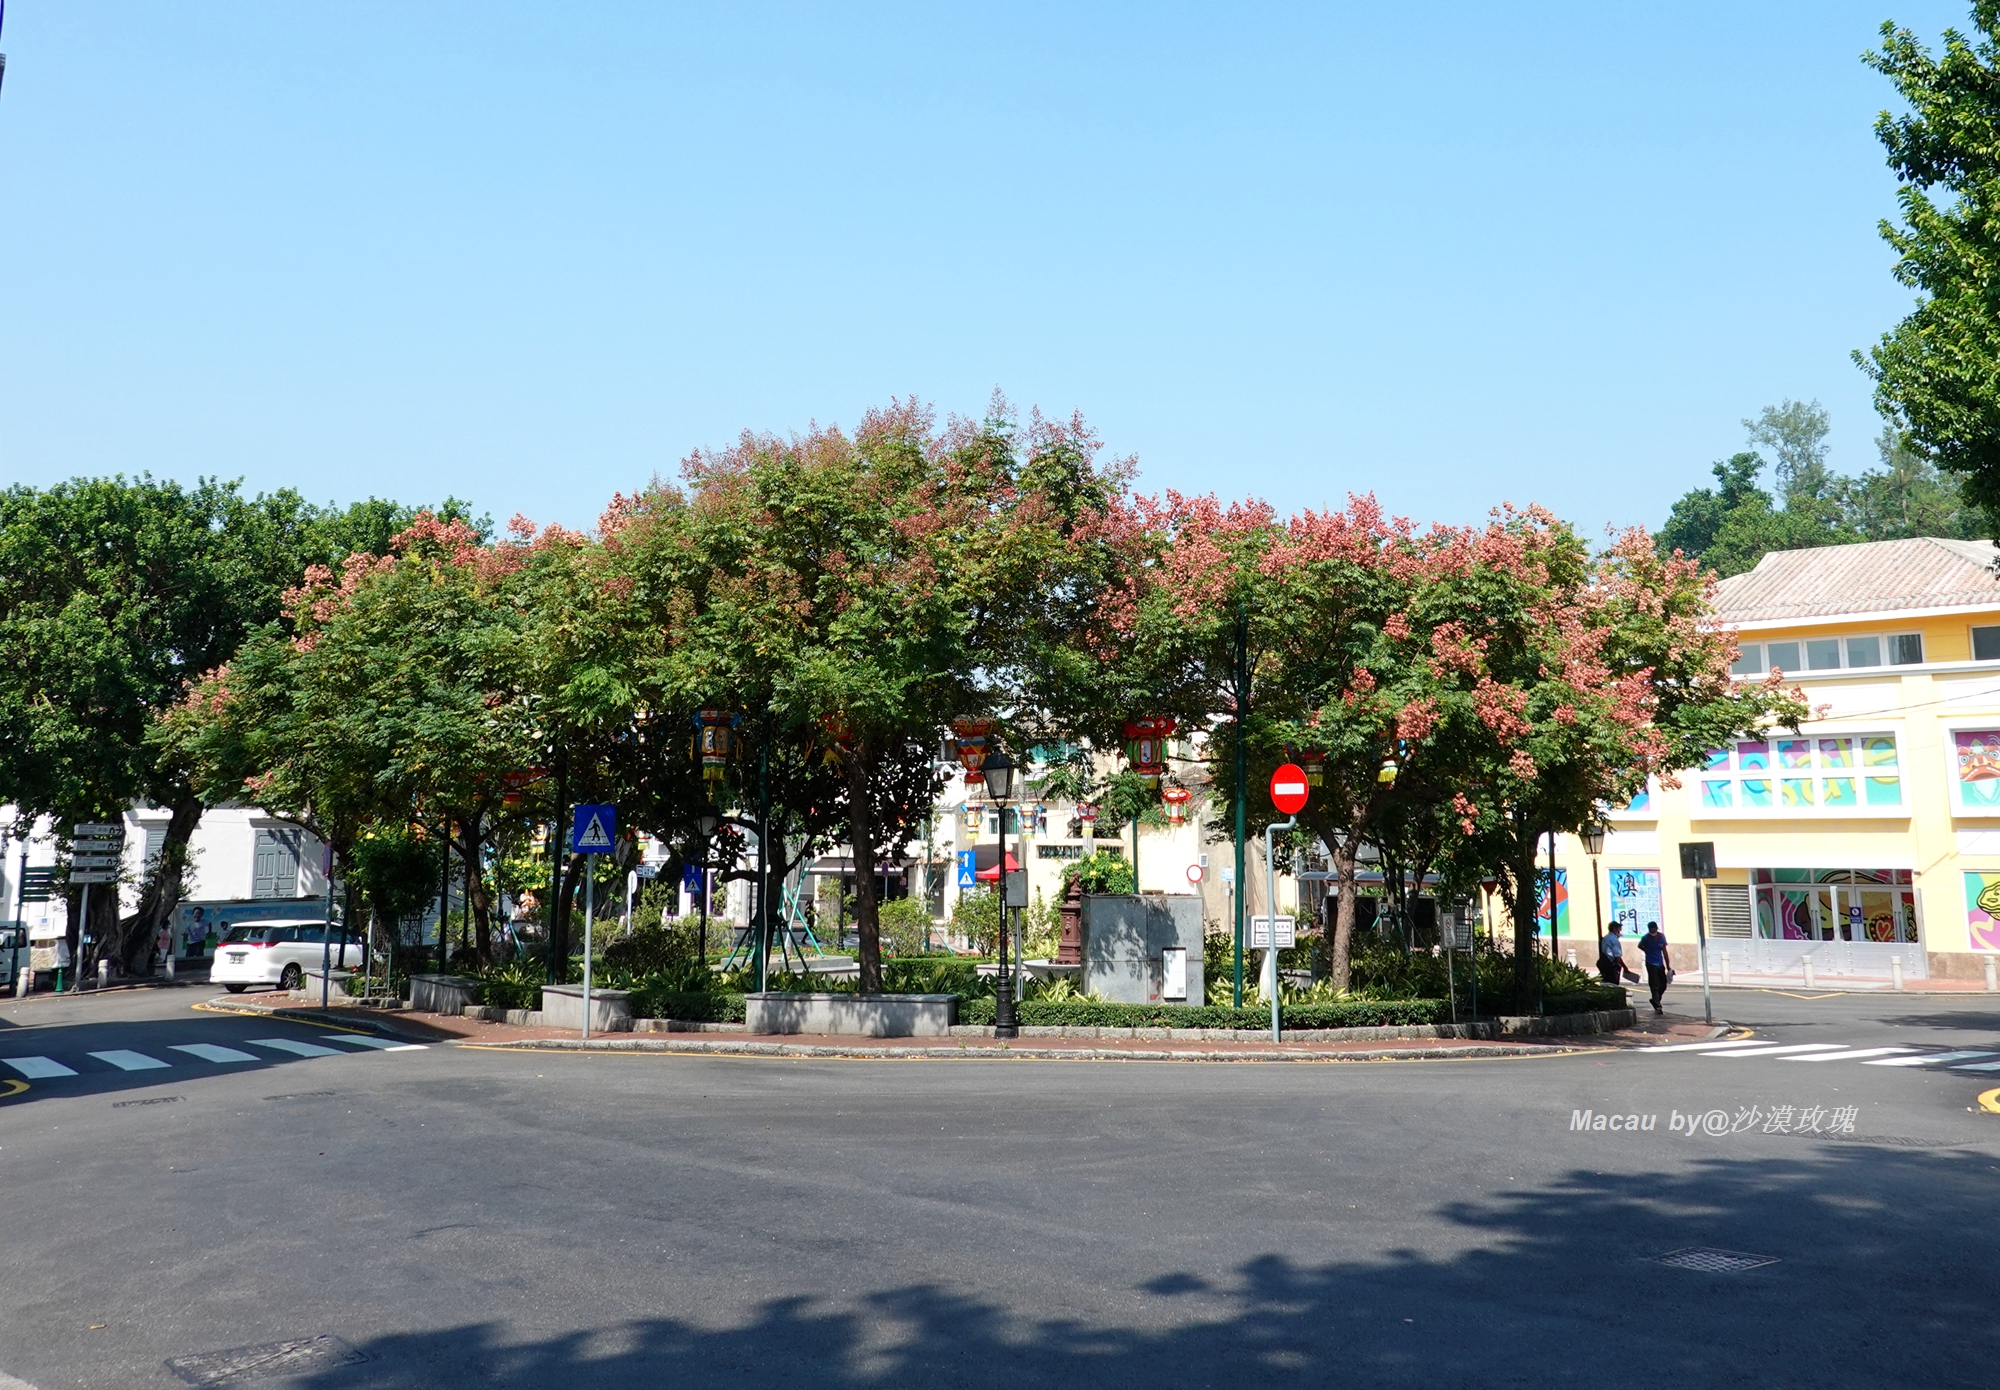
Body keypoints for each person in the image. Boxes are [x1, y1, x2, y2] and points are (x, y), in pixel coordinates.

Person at [1639, 921, 1671, 1014]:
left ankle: (1655, 1000)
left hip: (1660, 963)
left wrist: (1668, 965)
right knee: (1654, 985)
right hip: (1650, 963)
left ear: (1657, 928)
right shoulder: (1646, 938)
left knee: (1663, 984)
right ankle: (1658, 1006)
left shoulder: (1661, 937)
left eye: (1654, 929)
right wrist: (1647, 951)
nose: (1653, 931)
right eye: (1651, 929)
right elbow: (1640, 945)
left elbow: (1664, 951)